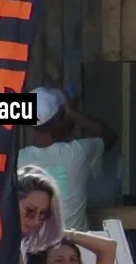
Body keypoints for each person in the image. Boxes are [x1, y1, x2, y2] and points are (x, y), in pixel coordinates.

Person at [18, 87, 118, 231]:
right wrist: (73, 114)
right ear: (61, 118)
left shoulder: (19, 159)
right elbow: (110, 136)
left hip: (34, 245)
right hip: (75, 244)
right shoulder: (76, 153)